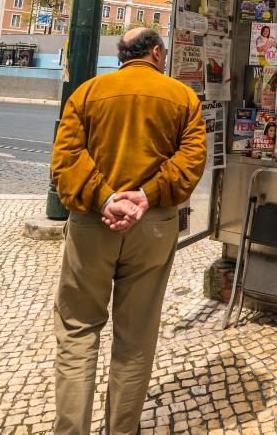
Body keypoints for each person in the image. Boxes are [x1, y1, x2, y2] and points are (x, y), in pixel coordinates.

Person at [50, 28, 207, 435]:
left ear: (122, 54)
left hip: (92, 223)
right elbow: (191, 162)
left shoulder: (86, 94)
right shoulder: (183, 98)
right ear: (156, 53)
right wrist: (145, 195)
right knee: (136, 335)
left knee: (78, 330)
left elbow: (65, 160)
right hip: (152, 224)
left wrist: (105, 198)